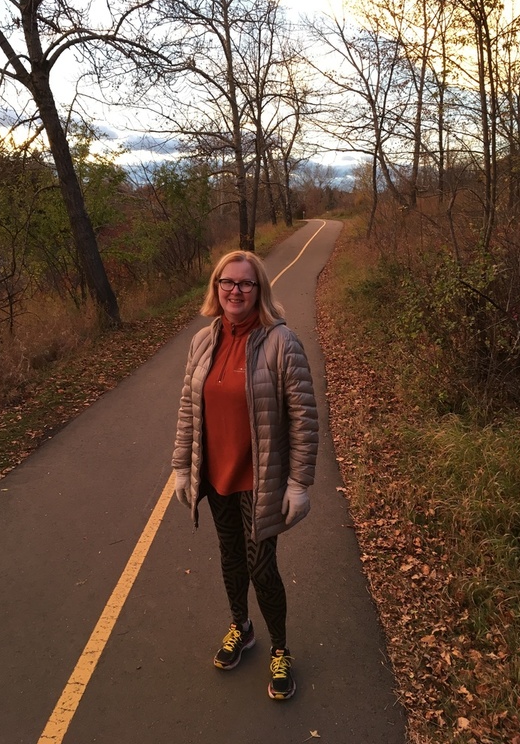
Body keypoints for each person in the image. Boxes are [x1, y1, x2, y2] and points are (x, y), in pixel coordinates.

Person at [171, 250, 318, 701]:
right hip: (216, 477)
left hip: (262, 483)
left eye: (245, 283)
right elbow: (187, 409)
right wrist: (181, 467)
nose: (235, 291)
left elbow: (304, 418)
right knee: (231, 556)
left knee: (261, 566)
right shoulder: (203, 340)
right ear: (216, 287)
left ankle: (280, 648)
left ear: (259, 290)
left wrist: (299, 483)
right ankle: (242, 626)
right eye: (227, 282)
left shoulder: (281, 341)